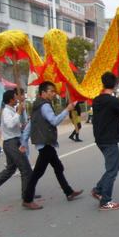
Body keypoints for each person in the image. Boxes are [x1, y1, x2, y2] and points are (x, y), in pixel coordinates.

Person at [22, 81, 83, 210]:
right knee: (38, 172)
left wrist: (24, 142)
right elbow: (54, 121)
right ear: (43, 93)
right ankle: (27, 199)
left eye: (54, 91)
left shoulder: (37, 105)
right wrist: (67, 110)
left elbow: (30, 126)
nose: (54, 94)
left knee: (58, 167)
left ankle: (69, 192)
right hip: (45, 143)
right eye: (51, 91)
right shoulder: (44, 106)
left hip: (45, 142)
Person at [91, 72, 119, 210]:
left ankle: (98, 189)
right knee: (112, 170)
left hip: (99, 139)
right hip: (109, 139)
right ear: (115, 85)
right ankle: (105, 200)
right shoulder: (113, 101)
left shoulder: (96, 100)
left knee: (115, 165)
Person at [0, 90, 33, 201]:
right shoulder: (6, 111)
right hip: (11, 143)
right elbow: (10, 124)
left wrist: (21, 112)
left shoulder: (13, 110)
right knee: (26, 169)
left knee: (10, 169)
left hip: (14, 141)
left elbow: (22, 123)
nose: (17, 99)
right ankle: (27, 196)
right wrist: (19, 112)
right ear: (11, 99)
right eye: (15, 97)